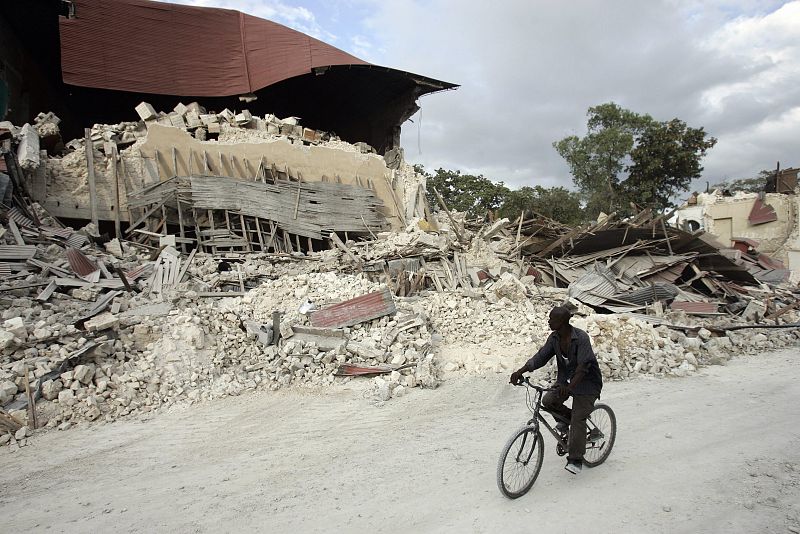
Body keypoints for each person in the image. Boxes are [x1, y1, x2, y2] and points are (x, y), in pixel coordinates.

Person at [510, 306, 603, 474]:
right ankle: (569, 423)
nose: (548, 321)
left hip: (588, 383)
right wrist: (520, 371)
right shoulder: (554, 338)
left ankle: (575, 459)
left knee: (578, 418)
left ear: (562, 321)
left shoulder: (581, 338)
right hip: (566, 382)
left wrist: (569, 388)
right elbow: (540, 358)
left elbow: (583, 368)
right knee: (548, 401)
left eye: (552, 319)